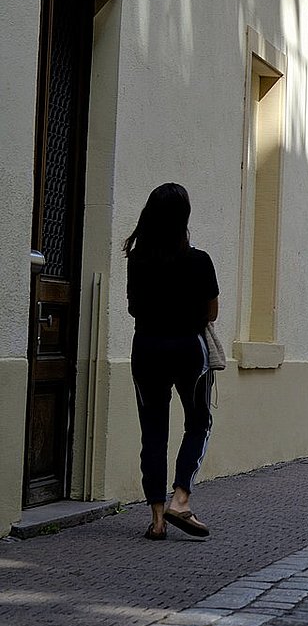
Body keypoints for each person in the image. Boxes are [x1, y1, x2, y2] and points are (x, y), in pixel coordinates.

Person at [124, 183, 219, 541]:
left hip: (146, 347)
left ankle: (157, 519)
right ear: (185, 218)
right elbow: (212, 311)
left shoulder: (137, 259)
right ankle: (181, 498)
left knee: (153, 432)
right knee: (198, 422)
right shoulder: (199, 261)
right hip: (188, 350)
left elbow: (133, 307)